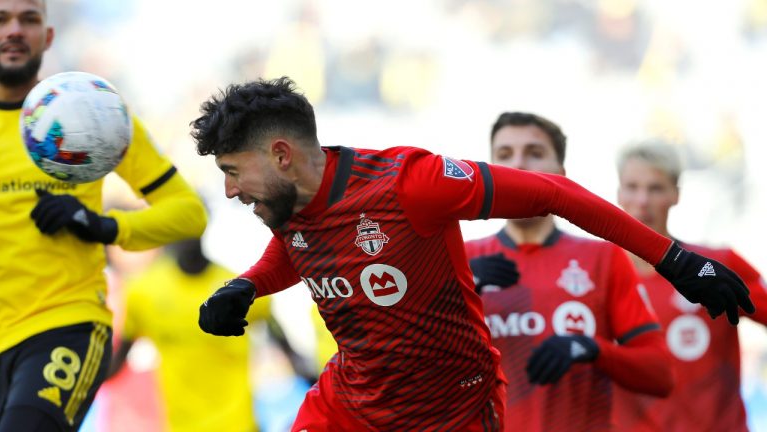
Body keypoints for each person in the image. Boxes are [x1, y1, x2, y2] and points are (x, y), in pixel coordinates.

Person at [189, 76, 753, 432]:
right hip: (351, 402)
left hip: (447, 412)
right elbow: (302, 247)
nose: (231, 191)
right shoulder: (293, 207)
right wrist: (248, 285)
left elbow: (554, 193)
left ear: (282, 155)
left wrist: (673, 259)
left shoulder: (411, 184)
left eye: (233, 172)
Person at [0, 1, 207, 430]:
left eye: (29, 19)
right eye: (1, 20)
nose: (14, 30)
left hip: (61, 323)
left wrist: (103, 226)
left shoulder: (91, 111)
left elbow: (187, 214)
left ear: (48, 37)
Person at [463, 112, 674, 431]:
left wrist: (592, 349)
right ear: (489, 172)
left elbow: (660, 375)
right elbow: (412, 370)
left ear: (561, 175)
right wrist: (452, 293)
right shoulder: (461, 259)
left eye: (534, 153)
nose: (518, 165)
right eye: (504, 155)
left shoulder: (602, 258)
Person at [612, 141, 767, 431]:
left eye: (656, 188)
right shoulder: (592, 273)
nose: (642, 200)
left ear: (675, 195)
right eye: (632, 187)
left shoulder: (717, 265)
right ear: (619, 194)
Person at [107, 237, 311, 432]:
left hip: (238, 424)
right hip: (183, 426)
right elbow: (116, 361)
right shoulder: (144, 293)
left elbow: (275, 330)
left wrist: (311, 374)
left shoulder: (236, 288)